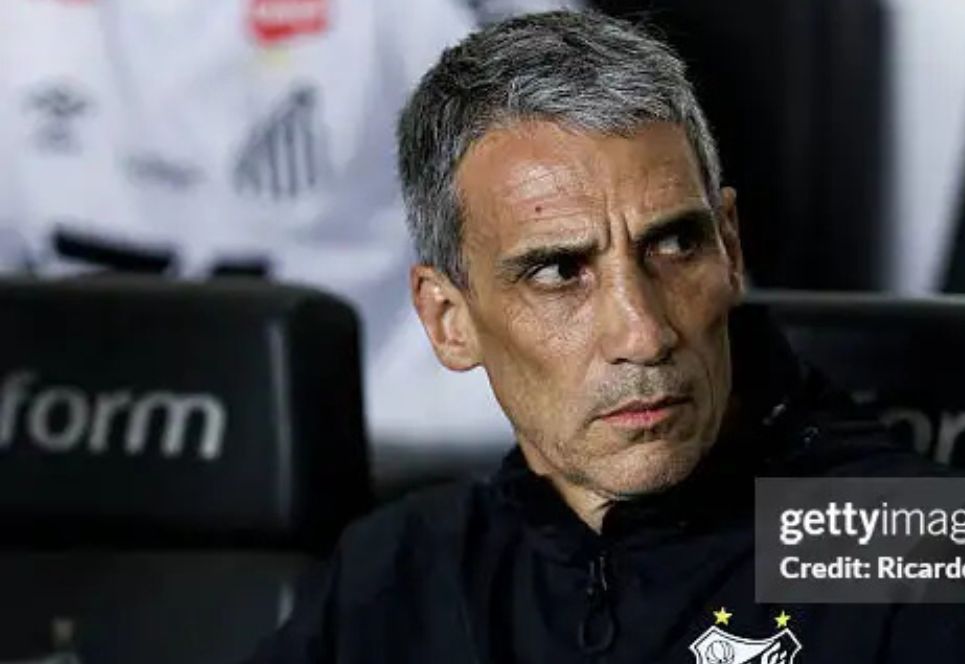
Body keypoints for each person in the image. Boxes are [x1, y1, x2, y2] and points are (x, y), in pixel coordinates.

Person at [209, 10, 965, 664]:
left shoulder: (946, 560)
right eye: (558, 271)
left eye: (674, 244)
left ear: (730, 247)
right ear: (448, 318)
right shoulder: (396, 574)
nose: (642, 332)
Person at [0, 0, 573, 489]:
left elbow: (581, 312)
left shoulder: (443, 20)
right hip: (71, 475)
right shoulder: (28, 32)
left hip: (407, 484)